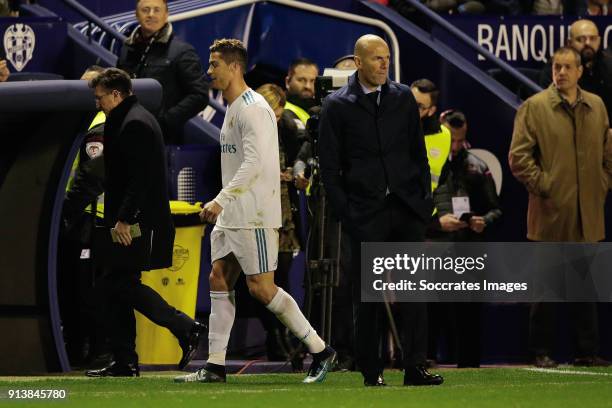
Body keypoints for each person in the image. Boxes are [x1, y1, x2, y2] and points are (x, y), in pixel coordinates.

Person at [174, 39, 335, 384]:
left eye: (215, 64)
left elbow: (255, 163)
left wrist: (220, 199)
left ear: (234, 67)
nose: (209, 71)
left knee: (261, 288)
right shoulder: (232, 106)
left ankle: (322, 351)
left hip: (254, 215)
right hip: (233, 214)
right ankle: (215, 366)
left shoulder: (254, 107)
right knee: (218, 276)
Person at [318, 34, 443, 387]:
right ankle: (371, 372)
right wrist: (347, 213)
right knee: (367, 298)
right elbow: (329, 169)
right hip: (365, 213)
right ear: (358, 63)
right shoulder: (337, 106)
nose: (384, 64)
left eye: (386, 57)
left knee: (414, 293)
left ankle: (415, 367)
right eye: (376, 58)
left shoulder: (403, 97)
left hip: (406, 209)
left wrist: (424, 203)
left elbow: (417, 153)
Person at [84, 68, 205, 377]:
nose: (98, 104)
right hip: (133, 220)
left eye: (100, 98)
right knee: (116, 284)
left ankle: (185, 326)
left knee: (116, 283)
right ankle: (125, 360)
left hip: (137, 223)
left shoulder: (134, 123)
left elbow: (140, 180)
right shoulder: (130, 118)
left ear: (115, 94)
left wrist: (124, 219)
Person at [510, 47, 612, 368]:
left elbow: (608, 154)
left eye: (568, 67)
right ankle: (539, 351)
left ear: (580, 71)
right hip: (550, 212)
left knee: (586, 290)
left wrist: (603, 182)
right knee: (546, 292)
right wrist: (546, 186)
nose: (562, 72)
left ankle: (587, 351)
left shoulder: (596, 105)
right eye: (557, 67)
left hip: (588, 213)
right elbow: (518, 157)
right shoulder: (534, 107)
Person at [428, 110, 502, 368]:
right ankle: (426, 359)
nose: (456, 146)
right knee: (431, 308)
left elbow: (495, 208)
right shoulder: (426, 161)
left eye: (461, 141)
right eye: (453, 140)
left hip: (469, 248)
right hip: (435, 246)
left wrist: (484, 220)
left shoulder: (477, 165)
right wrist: (437, 224)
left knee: (469, 311)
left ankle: (469, 363)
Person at [253, 83, 302, 361]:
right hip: (255, 214)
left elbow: (298, 163)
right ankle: (274, 334)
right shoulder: (245, 128)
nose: (274, 118)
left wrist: (292, 174)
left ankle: (285, 336)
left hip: (283, 216)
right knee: (258, 281)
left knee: (281, 277)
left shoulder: (288, 129)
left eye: (277, 114)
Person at [117, 0, 209, 144]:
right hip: (127, 133)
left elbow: (200, 95)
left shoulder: (182, 51)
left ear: (166, 14)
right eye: (145, 10)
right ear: (136, 15)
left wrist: (165, 122)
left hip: (163, 140)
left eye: (157, 10)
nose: (151, 15)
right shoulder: (126, 49)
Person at [539, 19, 612, 120]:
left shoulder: (608, 64)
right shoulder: (558, 67)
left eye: (592, 38)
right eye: (581, 39)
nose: (587, 43)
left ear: (599, 41)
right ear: (569, 43)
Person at [410, 79, 451, 193]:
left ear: (431, 111)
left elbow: (443, 178)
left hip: (425, 208)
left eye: (419, 106)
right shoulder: (388, 124)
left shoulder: (443, 135)